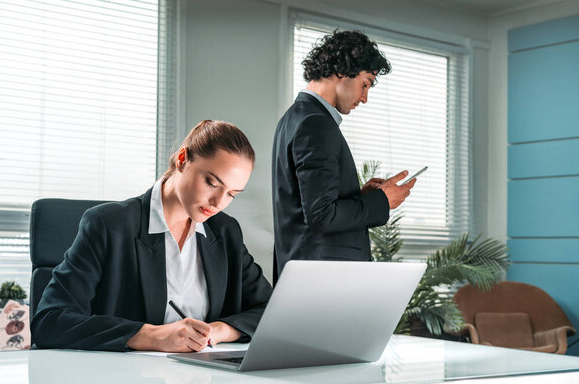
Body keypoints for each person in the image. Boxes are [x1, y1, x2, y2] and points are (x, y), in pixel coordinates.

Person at [32, 120, 272, 353]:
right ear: (182, 160)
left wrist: (216, 331)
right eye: (211, 183)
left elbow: (271, 310)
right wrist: (153, 336)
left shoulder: (224, 232)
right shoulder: (108, 225)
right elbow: (50, 321)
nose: (219, 203)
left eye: (232, 194)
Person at [272, 30, 416, 283]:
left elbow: (309, 204)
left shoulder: (295, 118)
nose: (365, 98)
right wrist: (382, 201)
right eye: (366, 83)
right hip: (325, 280)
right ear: (342, 70)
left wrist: (360, 196)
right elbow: (321, 216)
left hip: (310, 275)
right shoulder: (315, 124)